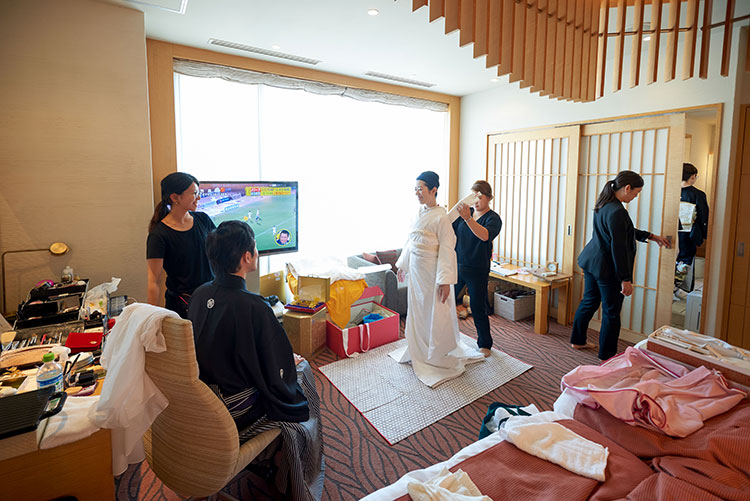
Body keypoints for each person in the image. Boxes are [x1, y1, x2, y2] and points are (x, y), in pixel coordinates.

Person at [188, 220, 324, 500]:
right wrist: (291, 362)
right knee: (303, 374)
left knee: (292, 368)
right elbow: (276, 367)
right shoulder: (254, 306)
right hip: (236, 409)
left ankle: (277, 455)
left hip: (202, 399)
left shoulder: (199, 295)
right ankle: (292, 465)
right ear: (247, 257)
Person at [389, 171, 483, 387]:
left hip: (432, 273)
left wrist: (445, 281)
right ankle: (418, 350)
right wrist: (403, 264)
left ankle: (436, 356)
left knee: (434, 312)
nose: (417, 193)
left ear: (433, 190)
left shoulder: (441, 217)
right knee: (417, 310)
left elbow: (447, 250)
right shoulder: (418, 213)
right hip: (416, 271)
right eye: (415, 189)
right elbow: (411, 240)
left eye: (421, 189)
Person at [570, 171, 670, 360]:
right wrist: (626, 279)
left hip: (591, 261)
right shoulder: (617, 211)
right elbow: (619, 246)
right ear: (627, 188)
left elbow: (624, 231)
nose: (635, 196)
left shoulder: (604, 204)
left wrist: (650, 236)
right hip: (607, 268)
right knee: (611, 312)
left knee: (589, 301)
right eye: (636, 193)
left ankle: (578, 339)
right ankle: (607, 356)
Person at [146, 172, 216, 318]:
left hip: (212, 299)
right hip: (182, 306)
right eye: (194, 193)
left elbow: (220, 252)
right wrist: (152, 320)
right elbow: (154, 282)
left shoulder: (203, 220)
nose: (199, 197)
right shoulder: (159, 235)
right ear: (175, 197)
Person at [453, 181, 503, 357]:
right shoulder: (465, 214)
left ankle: (485, 343)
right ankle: (446, 338)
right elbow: (448, 232)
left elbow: (484, 236)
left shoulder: (493, 218)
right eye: (474, 197)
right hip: (457, 265)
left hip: (477, 268)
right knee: (445, 302)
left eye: (480, 197)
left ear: (489, 198)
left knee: (477, 306)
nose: (476, 201)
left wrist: (468, 218)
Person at [677, 163, 709, 281]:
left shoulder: (672, 192)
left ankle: (672, 287)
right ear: (692, 176)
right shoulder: (698, 194)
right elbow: (703, 215)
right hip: (688, 232)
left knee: (672, 258)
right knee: (685, 259)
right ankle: (677, 284)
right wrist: (705, 234)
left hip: (671, 230)